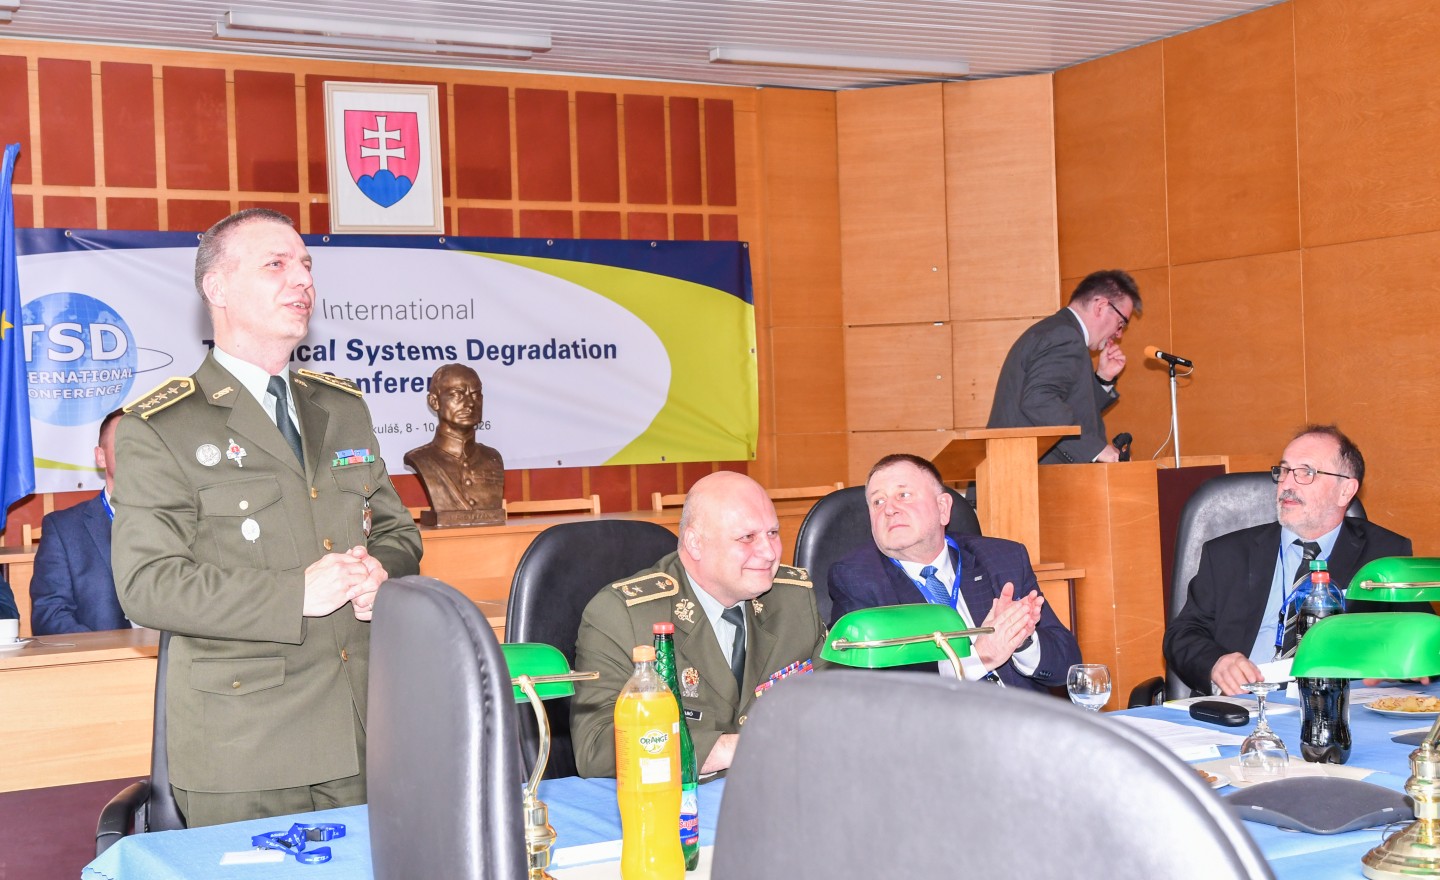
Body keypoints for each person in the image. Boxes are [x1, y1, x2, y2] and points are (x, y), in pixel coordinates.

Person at [111, 208, 423, 827]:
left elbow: (397, 532)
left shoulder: (342, 408)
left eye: (305, 265)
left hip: (368, 729)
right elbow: (148, 585)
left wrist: (381, 574)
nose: (302, 279)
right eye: (275, 264)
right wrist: (295, 594)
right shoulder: (162, 426)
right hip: (249, 749)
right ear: (218, 288)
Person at [571, 471, 827, 777]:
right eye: (747, 537)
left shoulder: (793, 600)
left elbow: (834, 705)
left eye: (773, 533)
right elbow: (595, 746)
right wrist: (731, 749)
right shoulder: (623, 616)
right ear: (695, 543)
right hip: (679, 797)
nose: (769, 552)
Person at [1164, 425, 1419, 697]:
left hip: (1334, 707)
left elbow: (1419, 639)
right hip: (1244, 704)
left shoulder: (1383, 554)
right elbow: (1181, 635)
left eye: (1306, 472)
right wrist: (1216, 663)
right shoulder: (1228, 554)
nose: (1286, 484)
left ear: (1345, 491)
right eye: (1284, 470)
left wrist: (1409, 662)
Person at [828, 453, 1080, 691]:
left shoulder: (1002, 559)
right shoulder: (858, 579)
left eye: (903, 495)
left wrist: (1020, 639)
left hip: (1023, 716)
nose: (889, 509)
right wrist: (980, 657)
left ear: (943, 508)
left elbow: (1068, 666)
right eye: (878, 501)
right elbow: (876, 688)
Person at [987, 270, 1141, 464]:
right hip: (1025, 475)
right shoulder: (1065, 336)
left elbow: (1065, 405)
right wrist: (1095, 449)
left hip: (1015, 470)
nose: (1119, 334)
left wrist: (1103, 379)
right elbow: (1039, 400)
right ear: (1101, 306)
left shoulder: (1056, 330)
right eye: (1121, 323)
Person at [30, 409, 131, 635]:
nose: (139, 452)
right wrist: (104, 651)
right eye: (127, 442)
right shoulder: (63, 529)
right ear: (101, 456)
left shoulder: (181, 519)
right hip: (103, 654)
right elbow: (50, 615)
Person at [403, 362, 504, 524]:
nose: (470, 403)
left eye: (476, 394)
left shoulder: (493, 458)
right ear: (434, 402)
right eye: (457, 394)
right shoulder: (420, 459)